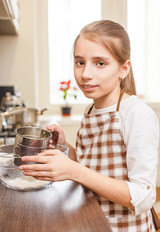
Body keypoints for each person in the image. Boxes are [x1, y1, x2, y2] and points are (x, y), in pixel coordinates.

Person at [19, 20, 159, 231]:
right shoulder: (91, 110)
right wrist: (65, 149)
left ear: (124, 69)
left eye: (100, 63)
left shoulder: (135, 114)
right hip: (92, 221)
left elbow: (144, 197)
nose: (85, 74)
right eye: (80, 62)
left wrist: (74, 170)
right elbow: (93, 166)